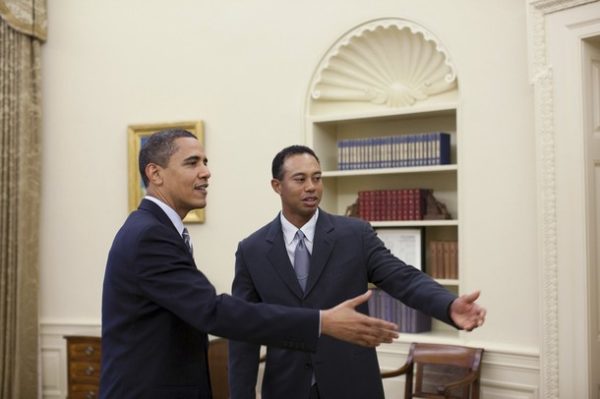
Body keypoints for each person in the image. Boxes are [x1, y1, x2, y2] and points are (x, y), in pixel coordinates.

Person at [100, 130, 400, 399]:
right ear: (155, 173)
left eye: (205, 162)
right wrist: (320, 322)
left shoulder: (156, 229)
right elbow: (213, 311)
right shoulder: (150, 235)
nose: (206, 172)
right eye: (192, 163)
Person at [228, 145, 487, 399]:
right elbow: (243, 332)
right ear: (277, 186)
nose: (311, 186)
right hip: (287, 387)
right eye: (300, 179)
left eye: (317, 178)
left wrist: (448, 305)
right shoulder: (252, 250)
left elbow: (402, 277)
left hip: (352, 383)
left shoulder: (355, 235)